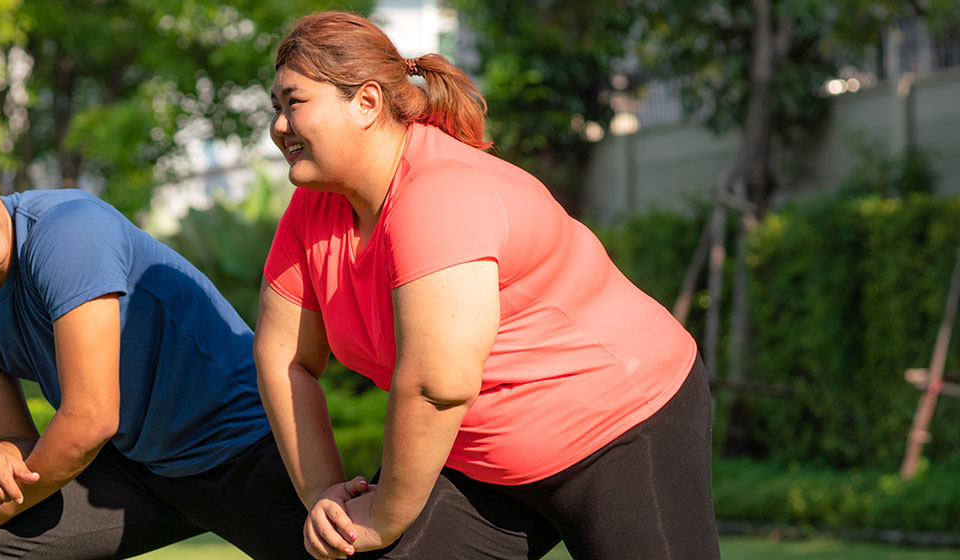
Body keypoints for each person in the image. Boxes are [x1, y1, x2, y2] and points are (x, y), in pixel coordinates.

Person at [254, 11, 721, 560]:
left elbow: (438, 383)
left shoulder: (440, 194)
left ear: (367, 103)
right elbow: (284, 355)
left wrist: (384, 518)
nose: (280, 126)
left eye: (295, 103)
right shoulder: (312, 211)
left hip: (619, 426)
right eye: (276, 108)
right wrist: (324, 496)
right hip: (478, 455)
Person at [0, 120, 330, 559]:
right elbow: (14, 436)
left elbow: (92, 417)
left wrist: (1, 506)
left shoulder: (69, 231)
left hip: (243, 447)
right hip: (138, 471)